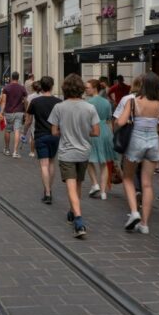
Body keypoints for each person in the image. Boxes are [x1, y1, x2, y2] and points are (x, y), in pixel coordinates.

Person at [49, 74, 100, 238]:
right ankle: (73, 210)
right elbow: (96, 132)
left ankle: (78, 220)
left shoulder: (59, 107)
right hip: (84, 151)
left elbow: (54, 132)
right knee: (78, 184)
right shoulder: (89, 108)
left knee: (71, 186)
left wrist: (67, 131)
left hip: (67, 152)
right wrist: (83, 131)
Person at [116, 72, 159, 235]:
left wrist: (125, 121)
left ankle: (134, 212)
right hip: (153, 141)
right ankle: (144, 223)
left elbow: (120, 122)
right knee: (147, 183)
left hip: (136, 140)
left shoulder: (133, 101)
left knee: (128, 178)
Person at [25, 76, 61, 204]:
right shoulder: (58, 101)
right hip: (55, 135)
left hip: (40, 135)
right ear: (52, 86)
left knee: (43, 165)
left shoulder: (35, 101)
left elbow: (28, 120)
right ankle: (49, 188)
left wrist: (25, 132)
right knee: (52, 163)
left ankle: (47, 192)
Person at [85, 79, 116, 200]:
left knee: (88, 159)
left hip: (93, 131)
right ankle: (103, 192)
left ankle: (95, 183)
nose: (86, 89)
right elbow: (109, 119)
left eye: (88, 87)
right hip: (106, 131)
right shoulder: (106, 102)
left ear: (94, 88)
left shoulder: (88, 103)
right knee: (104, 162)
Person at [0, 72, 28, 158]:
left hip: (8, 112)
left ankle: (7, 149)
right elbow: (25, 101)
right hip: (19, 112)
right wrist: (26, 111)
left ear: (11, 78)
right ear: (18, 78)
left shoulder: (6, 88)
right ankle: (15, 151)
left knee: (7, 130)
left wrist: (1, 112)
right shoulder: (22, 88)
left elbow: (3, 101)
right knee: (17, 130)